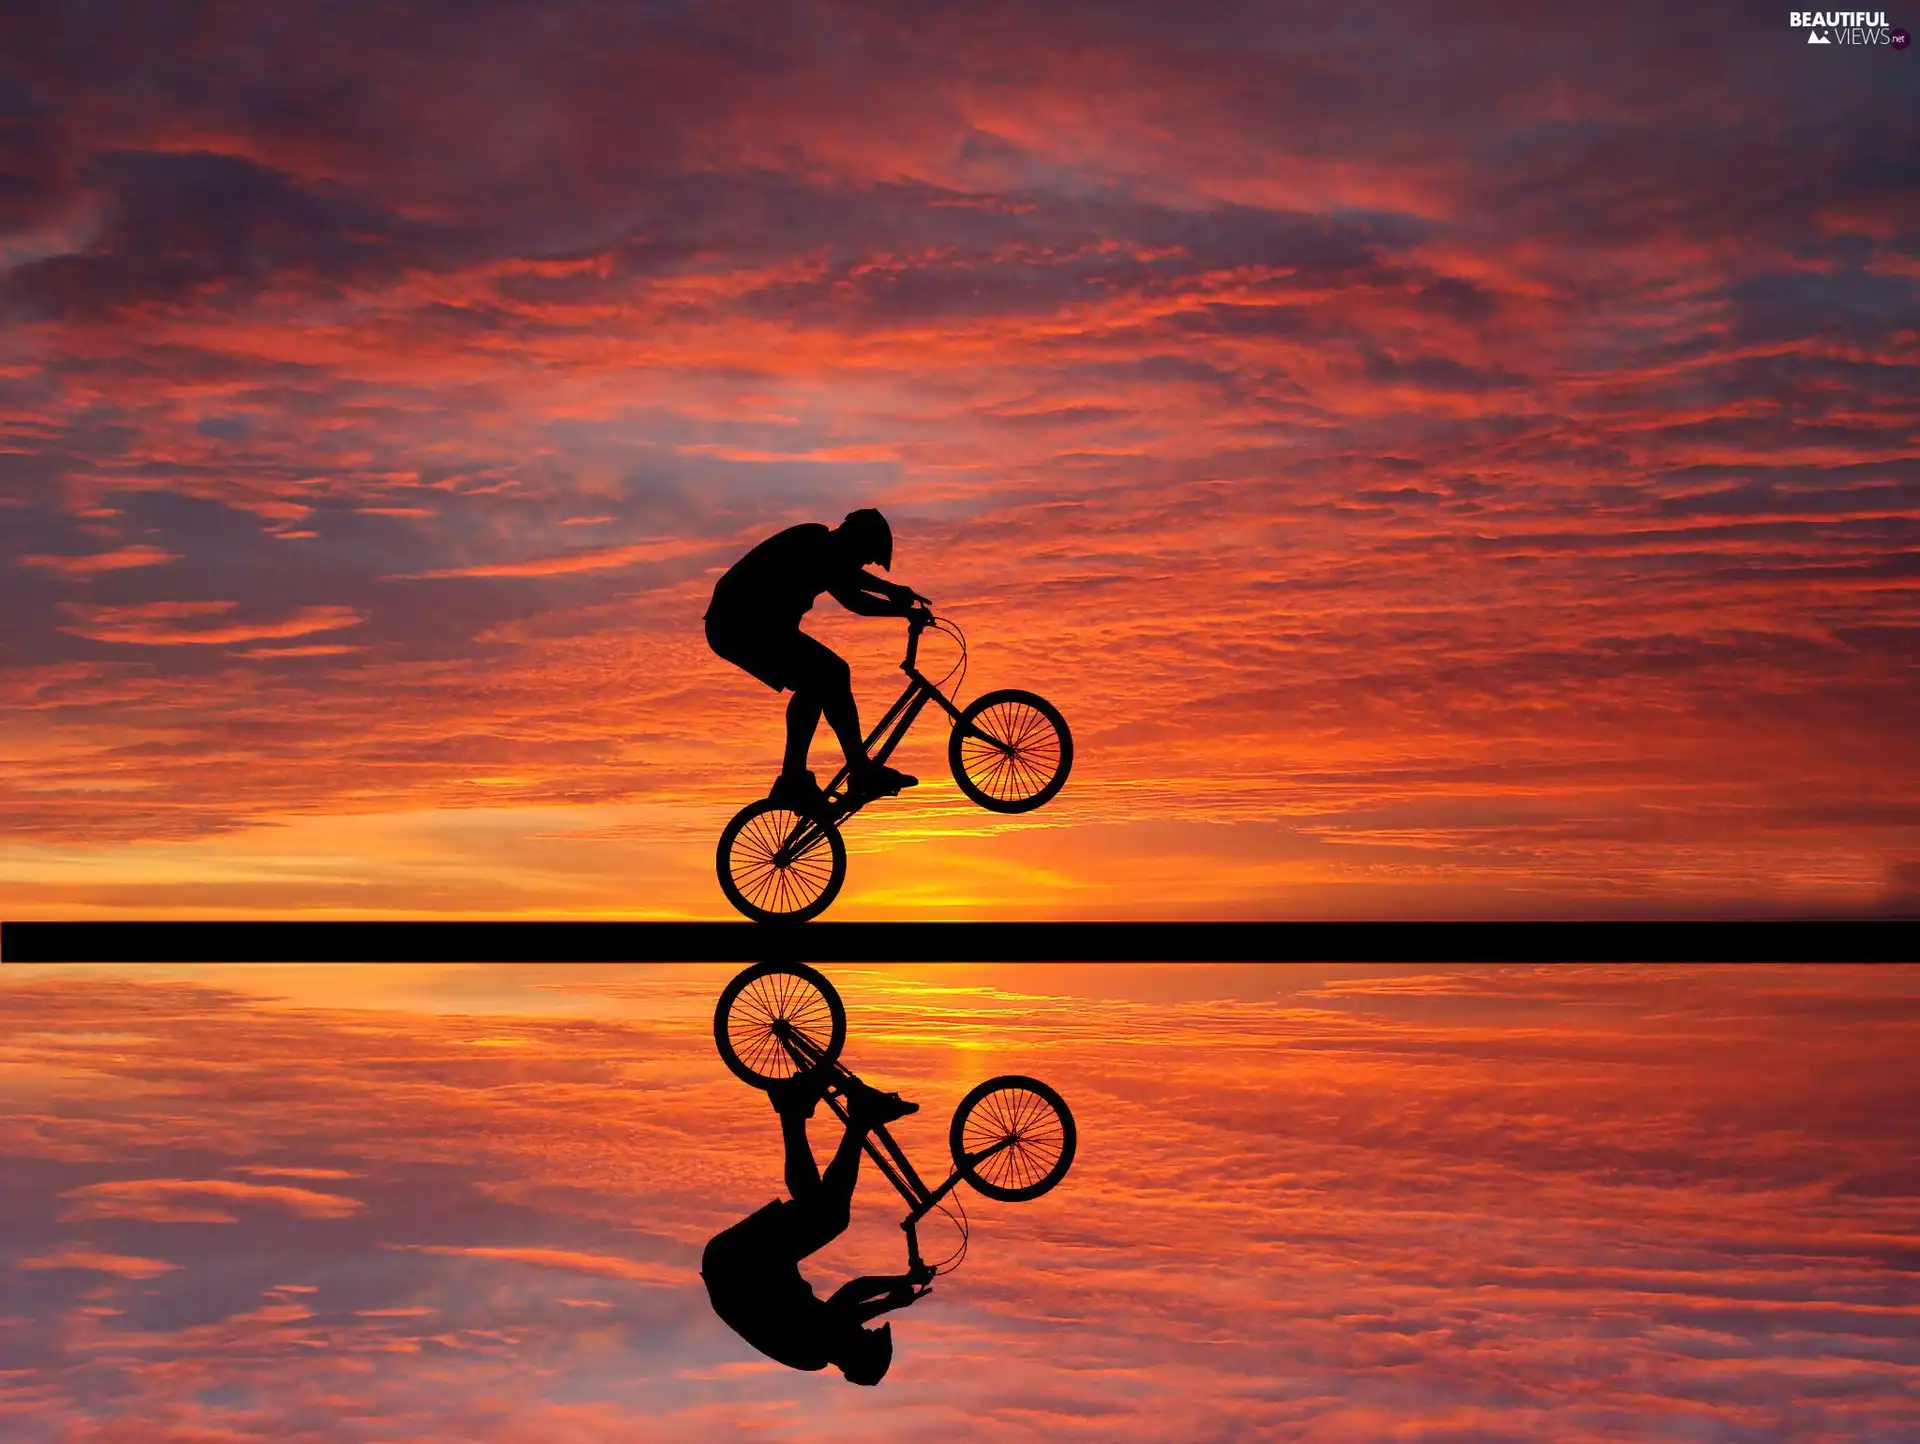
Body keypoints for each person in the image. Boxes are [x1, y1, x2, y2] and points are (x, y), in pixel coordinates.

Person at [701, 1073, 935, 1386]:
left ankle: (844, 1116)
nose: (865, 1330)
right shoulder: (819, 1345)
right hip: (739, 1266)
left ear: (857, 1355)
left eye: (868, 1337)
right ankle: (799, 1109)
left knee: (826, 1217)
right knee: (821, 1209)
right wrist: (893, 1297)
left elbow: (852, 1296)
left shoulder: (815, 1349)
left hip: (736, 1267)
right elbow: (847, 1315)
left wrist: (899, 1289)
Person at [705, 508, 931, 814]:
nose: (864, 563)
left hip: (749, 624)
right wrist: (902, 609)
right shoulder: (817, 543)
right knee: (828, 673)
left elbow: (845, 575)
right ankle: (817, 776)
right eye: (866, 555)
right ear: (856, 540)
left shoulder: (824, 548)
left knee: (824, 677)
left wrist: (890, 590)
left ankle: (808, 776)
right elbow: (853, 597)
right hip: (739, 624)